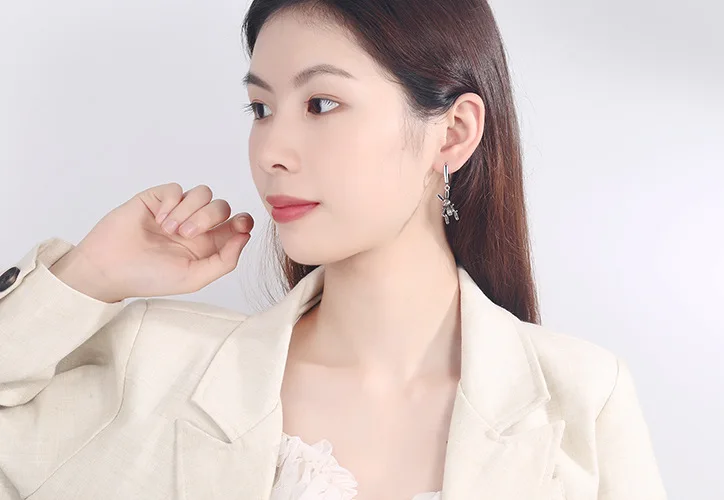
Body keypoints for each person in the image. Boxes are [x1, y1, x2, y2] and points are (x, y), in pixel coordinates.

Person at [0, 1, 668, 499]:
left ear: (453, 132)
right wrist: (88, 275)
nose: (271, 152)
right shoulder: (156, 366)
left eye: (321, 103)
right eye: (261, 109)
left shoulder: (581, 399)